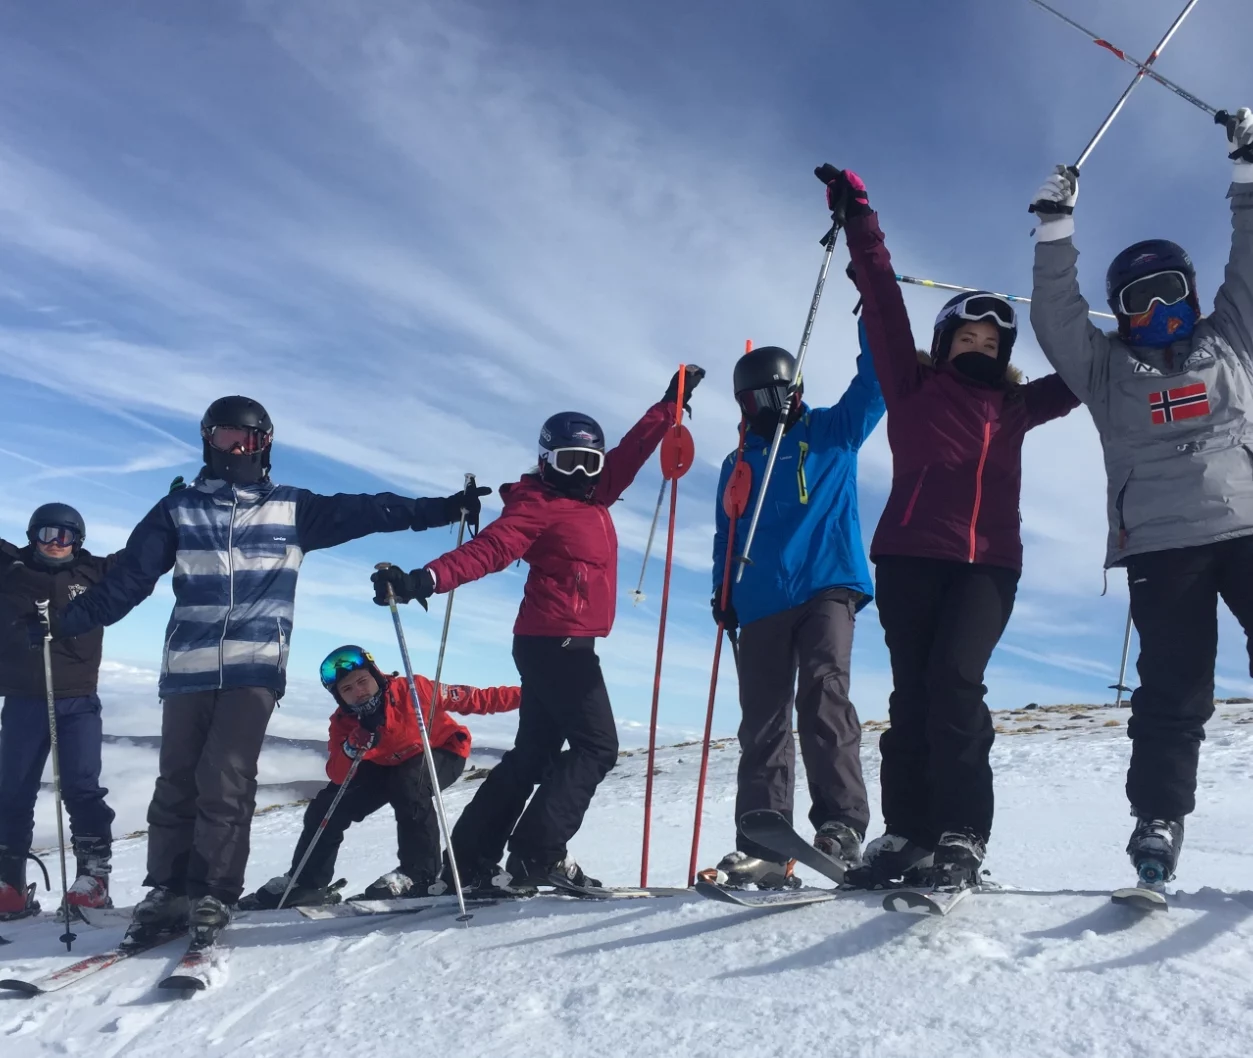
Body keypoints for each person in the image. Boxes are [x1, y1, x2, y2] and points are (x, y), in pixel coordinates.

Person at [46, 395, 491, 942]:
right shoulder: (178, 509)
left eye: (248, 440)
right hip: (186, 668)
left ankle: (213, 892)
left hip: (254, 669)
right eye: (225, 438)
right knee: (176, 781)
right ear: (207, 441)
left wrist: (443, 509)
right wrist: (63, 623)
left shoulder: (292, 508)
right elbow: (127, 583)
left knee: (225, 779)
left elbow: (372, 510)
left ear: (265, 445)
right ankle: (169, 888)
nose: (237, 449)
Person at [823, 164, 1080, 889]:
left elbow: (1090, 371)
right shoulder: (910, 386)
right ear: (944, 341)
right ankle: (908, 832)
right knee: (911, 696)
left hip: (988, 566)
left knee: (956, 683)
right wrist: (860, 222)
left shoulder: (1017, 407)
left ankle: (963, 832)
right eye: (966, 336)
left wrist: (1135, 330)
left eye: (991, 343)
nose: (979, 347)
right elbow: (882, 304)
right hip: (910, 556)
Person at [1028, 109, 1253, 887]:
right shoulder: (1103, 371)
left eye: (1167, 294)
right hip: (1160, 544)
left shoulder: (1230, 338)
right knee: (1174, 687)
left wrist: (1246, 172)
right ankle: (1158, 819)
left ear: (1191, 293)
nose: (1155, 313)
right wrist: (1055, 228)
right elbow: (1055, 317)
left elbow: (1249, 259)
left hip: (1246, 523)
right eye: (1137, 301)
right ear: (1117, 313)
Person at [372, 366, 704, 892]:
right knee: (598, 747)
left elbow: (632, 452)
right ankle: (537, 854)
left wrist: (669, 407)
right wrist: (425, 579)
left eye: (590, 462)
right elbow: (488, 550)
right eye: (569, 461)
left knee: (534, 756)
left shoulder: (594, 495)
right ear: (546, 461)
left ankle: (471, 858)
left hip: (553, 644)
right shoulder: (536, 507)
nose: (581, 472)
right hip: (558, 645)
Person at [703, 320, 884, 890]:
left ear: (796, 390)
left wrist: (870, 310)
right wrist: (723, 592)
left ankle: (841, 824)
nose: (765, 407)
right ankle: (763, 842)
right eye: (751, 400)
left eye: (775, 395)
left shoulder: (833, 430)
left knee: (823, 695)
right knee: (761, 720)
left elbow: (876, 379)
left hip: (827, 583)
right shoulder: (738, 463)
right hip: (759, 599)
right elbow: (726, 534)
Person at [240, 645, 520, 908]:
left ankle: (419, 875)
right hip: (386, 764)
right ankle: (307, 883)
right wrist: (353, 744)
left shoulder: (414, 690)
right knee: (327, 805)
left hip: (442, 750)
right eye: (347, 689)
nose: (358, 692)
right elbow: (337, 774)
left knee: (410, 785)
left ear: (375, 675)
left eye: (362, 681)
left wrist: (531, 692)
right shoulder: (344, 722)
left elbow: (479, 699)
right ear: (339, 696)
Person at [0, 504, 118, 918]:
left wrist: (178, 512)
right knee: (12, 790)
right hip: (22, 698)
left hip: (78, 699)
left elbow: (145, 556)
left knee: (81, 787)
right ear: (32, 535)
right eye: (46, 533)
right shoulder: (10, 567)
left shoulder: (94, 573)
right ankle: (8, 883)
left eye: (64, 536)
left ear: (77, 541)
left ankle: (93, 879)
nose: (55, 543)